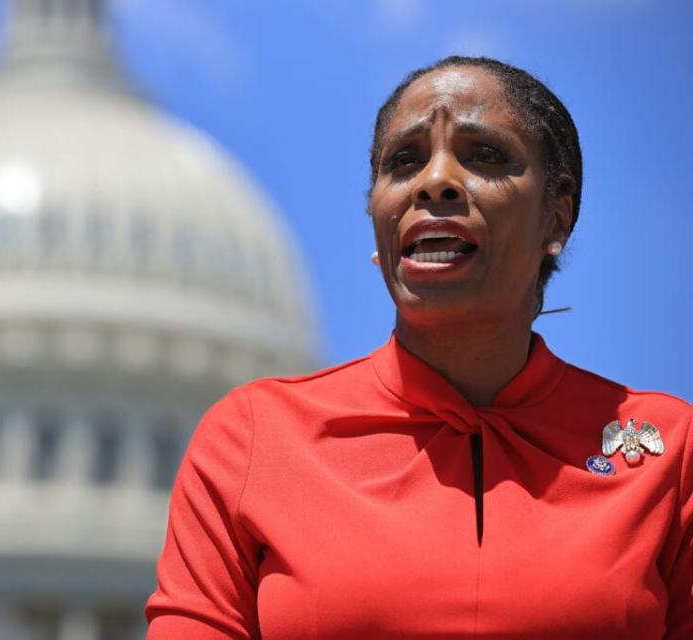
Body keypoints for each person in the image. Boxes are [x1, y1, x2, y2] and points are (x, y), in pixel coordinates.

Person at [144, 56, 693, 639]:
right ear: (379, 224)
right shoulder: (253, 439)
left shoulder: (668, 450)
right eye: (403, 161)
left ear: (557, 217)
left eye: (484, 154)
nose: (434, 180)